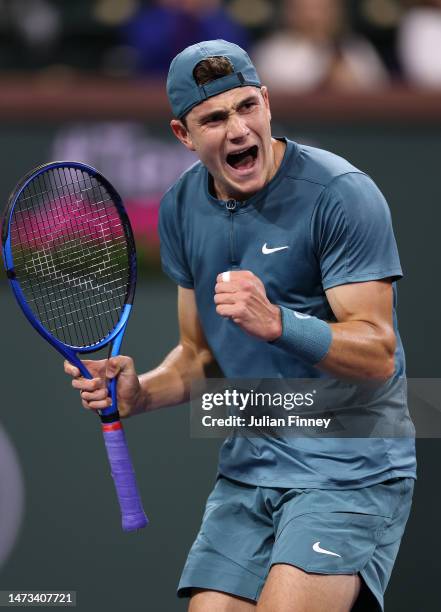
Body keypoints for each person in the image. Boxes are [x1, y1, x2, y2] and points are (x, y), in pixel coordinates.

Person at [64, 40, 416, 611]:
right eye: (215, 118)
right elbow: (201, 356)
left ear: (268, 102)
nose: (238, 129)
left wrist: (279, 323)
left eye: (247, 106)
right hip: (250, 467)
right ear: (183, 134)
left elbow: (377, 355)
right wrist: (141, 392)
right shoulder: (181, 207)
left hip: (350, 465)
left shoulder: (342, 194)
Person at [252, 0, 388, 91]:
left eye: (323, 9)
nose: (314, 17)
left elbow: (380, 91)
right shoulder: (272, 51)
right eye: (307, 9)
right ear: (290, 12)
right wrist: (324, 80)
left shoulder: (356, 48)